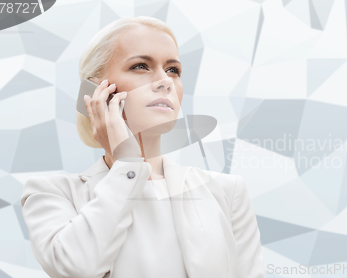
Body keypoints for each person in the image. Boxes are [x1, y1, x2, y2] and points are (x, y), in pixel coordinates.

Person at [20, 16, 265, 278]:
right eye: (141, 66)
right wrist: (127, 164)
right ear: (96, 92)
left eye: (173, 70)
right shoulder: (53, 194)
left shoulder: (226, 192)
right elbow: (77, 268)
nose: (165, 81)